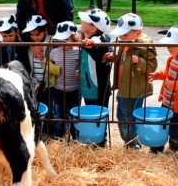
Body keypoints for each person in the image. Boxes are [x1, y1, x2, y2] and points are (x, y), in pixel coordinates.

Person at [110, 13, 158, 149]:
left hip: (134, 89)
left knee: (128, 118)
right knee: (122, 115)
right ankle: (130, 142)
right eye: (121, 35)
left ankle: (132, 144)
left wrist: (140, 62)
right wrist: (112, 57)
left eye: (125, 35)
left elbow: (152, 65)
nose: (121, 38)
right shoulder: (126, 42)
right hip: (123, 87)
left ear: (138, 33)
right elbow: (122, 58)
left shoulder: (143, 46)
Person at [77, 8, 113, 147]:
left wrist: (91, 47)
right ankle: (95, 140)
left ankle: (99, 142)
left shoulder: (99, 40)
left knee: (98, 114)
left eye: (85, 21)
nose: (81, 21)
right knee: (94, 113)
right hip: (90, 85)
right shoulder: (91, 38)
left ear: (93, 28)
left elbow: (99, 54)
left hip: (97, 87)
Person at [148, 25, 178, 153]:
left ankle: (177, 149)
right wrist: (158, 75)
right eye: (167, 45)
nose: (168, 48)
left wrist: (177, 85)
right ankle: (157, 147)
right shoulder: (172, 58)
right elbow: (168, 72)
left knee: (176, 128)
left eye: (172, 45)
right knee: (162, 125)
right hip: (167, 100)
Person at [22, 15, 58, 136]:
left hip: (48, 83)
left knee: (50, 109)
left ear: (45, 31)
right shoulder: (29, 45)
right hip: (34, 82)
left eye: (37, 34)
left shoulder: (52, 42)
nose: (34, 38)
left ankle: (50, 133)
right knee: (36, 108)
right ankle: (38, 133)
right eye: (31, 35)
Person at [50, 21, 81, 141]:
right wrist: (54, 69)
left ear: (74, 38)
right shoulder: (54, 52)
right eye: (60, 39)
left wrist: (79, 71)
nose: (62, 42)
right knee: (59, 116)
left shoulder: (78, 52)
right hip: (58, 89)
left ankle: (75, 138)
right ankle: (59, 137)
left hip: (74, 90)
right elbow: (47, 64)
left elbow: (81, 65)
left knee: (73, 116)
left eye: (66, 39)